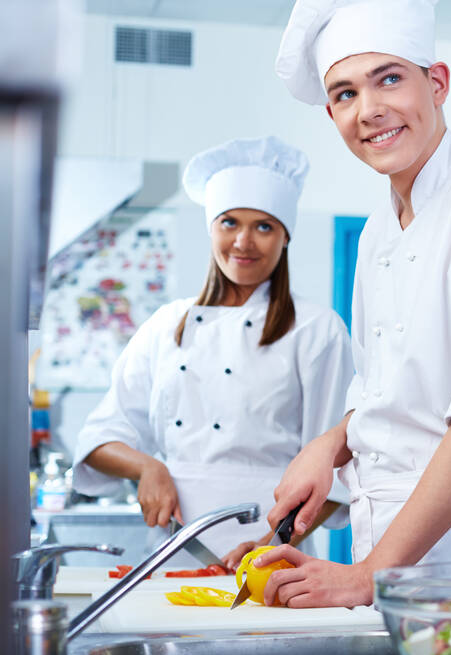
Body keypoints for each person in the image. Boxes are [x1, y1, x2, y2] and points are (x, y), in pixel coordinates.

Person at [253, 0, 451, 608]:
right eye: (344, 94)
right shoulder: (377, 233)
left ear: (437, 83)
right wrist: (331, 445)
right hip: (389, 558)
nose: (368, 110)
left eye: (388, 79)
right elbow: (397, 390)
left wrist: (370, 572)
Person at [74, 136, 354, 564]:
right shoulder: (166, 325)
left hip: (272, 554)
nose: (243, 241)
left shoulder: (317, 329)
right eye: (229, 222)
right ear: (212, 229)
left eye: (264, 226)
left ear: (285, 238)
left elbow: (337, 467)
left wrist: (273, 545)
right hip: (173, 552)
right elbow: (98, 439)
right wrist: (149, 467)